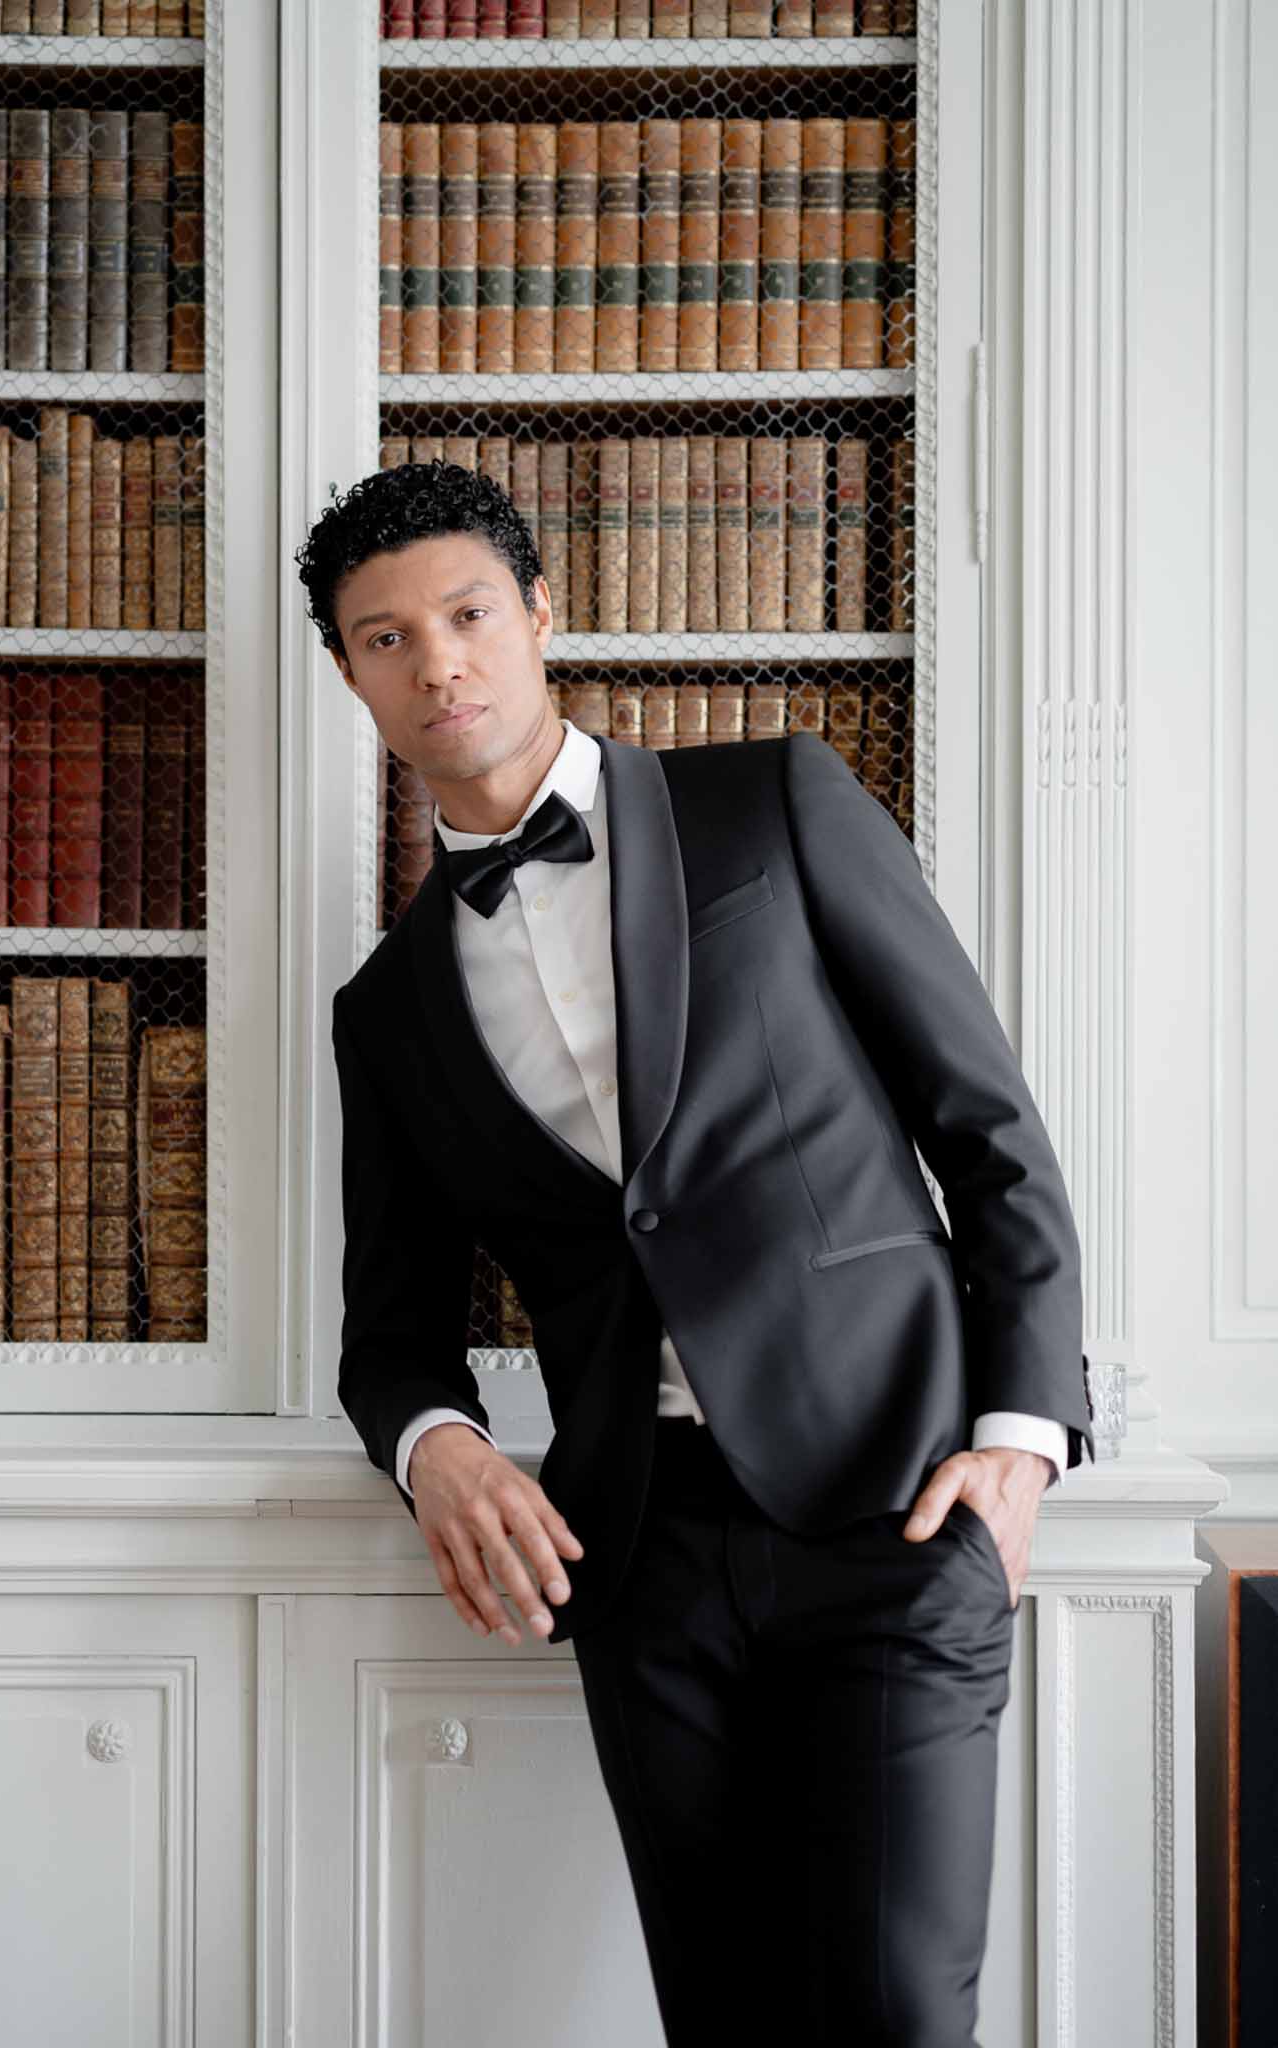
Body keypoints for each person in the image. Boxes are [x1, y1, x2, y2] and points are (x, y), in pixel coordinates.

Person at [296, 458, 1096, 2045]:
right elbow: (390, 1333)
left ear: (539, 614)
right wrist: (439, 1447)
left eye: (467, 614)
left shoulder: (772, 803)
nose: (437, 663)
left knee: (895, 2014)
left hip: (893, 1501)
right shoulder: (384, 1010)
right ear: (349, 676)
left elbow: (987, 1129)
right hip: (641, 1553)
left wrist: (1021, 1436)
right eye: (386, 639)